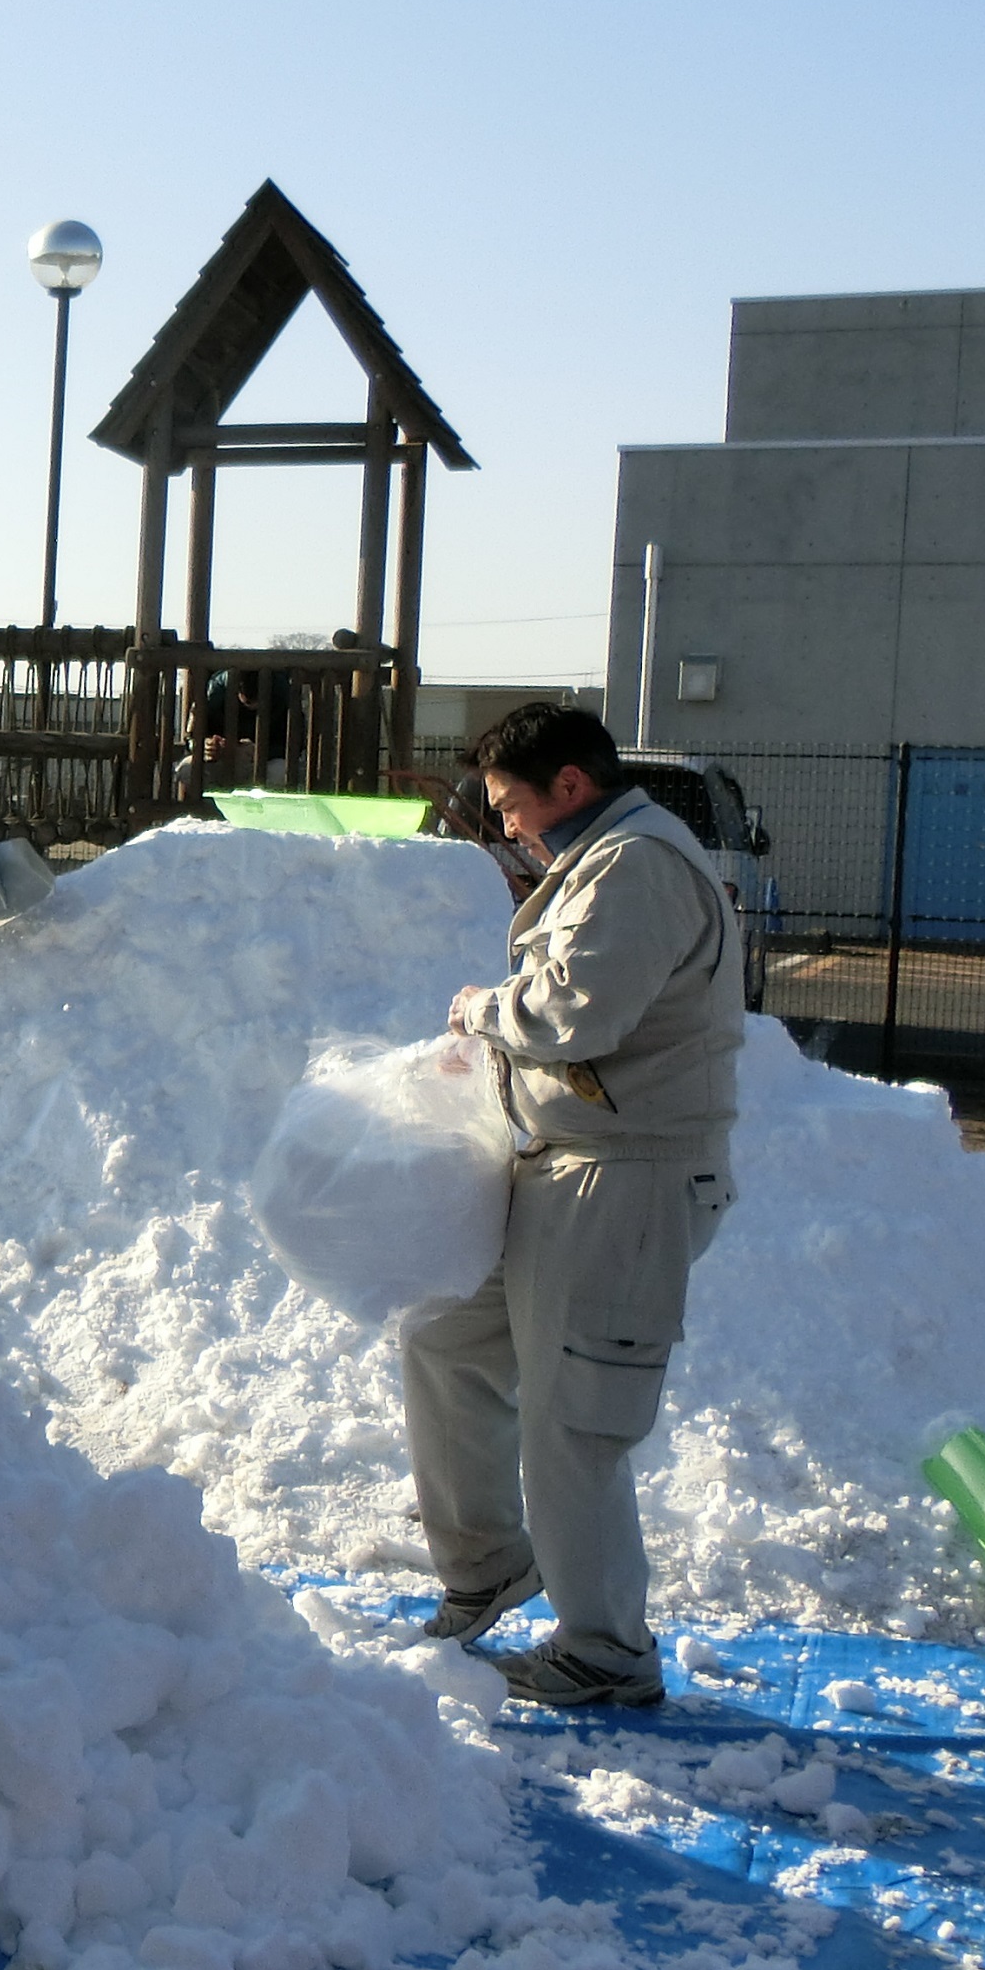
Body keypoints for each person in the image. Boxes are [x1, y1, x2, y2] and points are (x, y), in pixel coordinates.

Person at [404, 701, 746, 1710]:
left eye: (510, 804)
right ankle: (491, 1562)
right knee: (445, 1334)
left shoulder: (638, 864)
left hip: (626, 1179)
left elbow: (575, 1011)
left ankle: (605, 1650)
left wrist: (480, 1009)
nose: (505, 824)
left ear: (568, 786)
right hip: (565, 1166)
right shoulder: (600, 861)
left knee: (574, 1420)